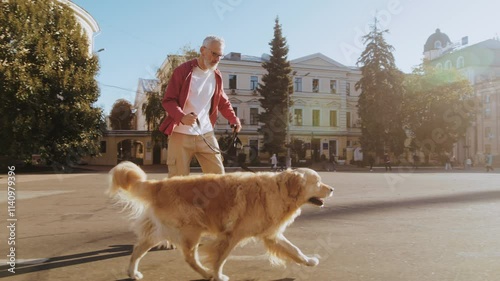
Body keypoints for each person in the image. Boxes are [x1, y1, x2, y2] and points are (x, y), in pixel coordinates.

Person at [159, 35, 241, 177]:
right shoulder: (183, 71)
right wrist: (181, 117)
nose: (216, 58)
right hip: (180, 135)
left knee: (218, 178)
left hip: (206, 133)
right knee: (178, 183)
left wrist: (233, 119)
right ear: (203, 50)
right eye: (214, 53)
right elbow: (168, 101)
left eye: (220, 55)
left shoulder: (216, 75)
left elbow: (223, 101)